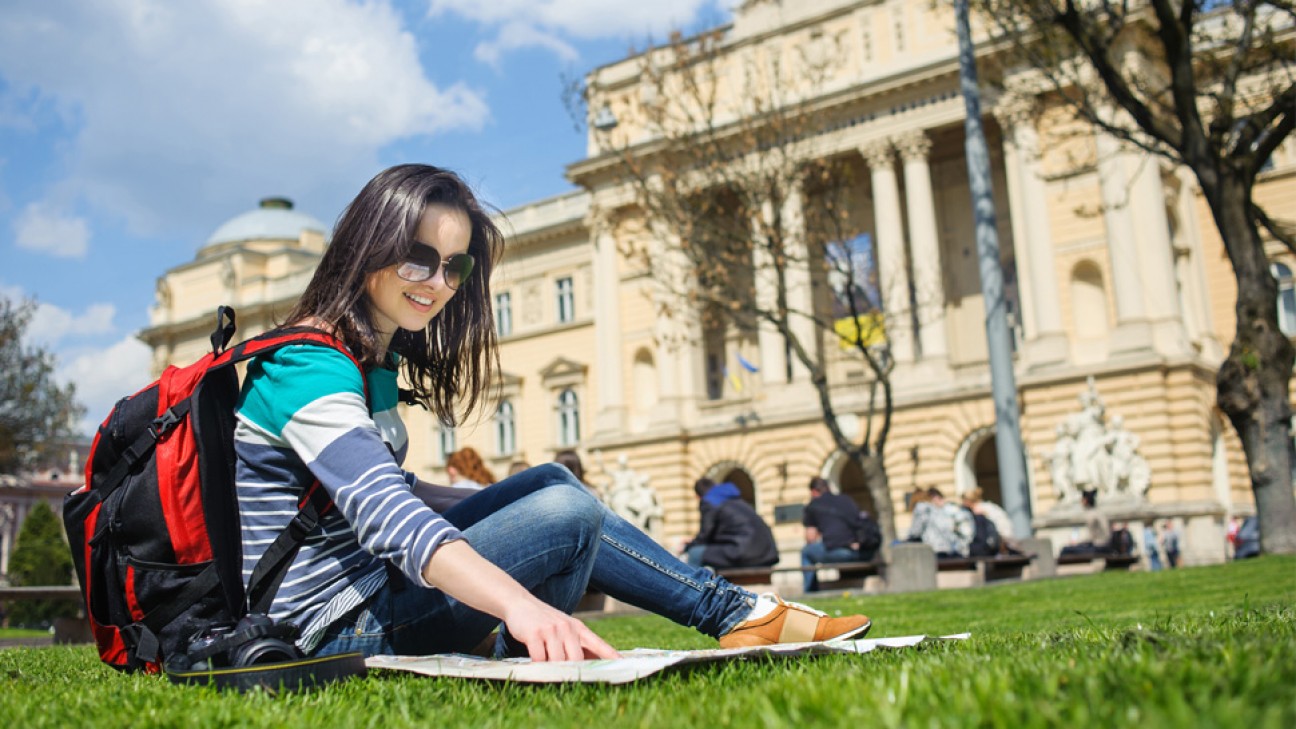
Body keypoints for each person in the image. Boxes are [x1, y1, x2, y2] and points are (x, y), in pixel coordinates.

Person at [234, 164, 870, 664]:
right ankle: (726, 615)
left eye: (455, 267)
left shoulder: (365, 359)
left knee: (550, 486)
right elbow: (386, 517)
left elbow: (395, 489)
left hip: (371, 592)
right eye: (419, 258)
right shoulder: (307, 365)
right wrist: (521, 605)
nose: (438, 283)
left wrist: (510, 505)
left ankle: (732, 614)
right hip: (328, 626)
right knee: (562, 513)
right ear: (369, 244)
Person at [683, 478, 780, 570]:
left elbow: (705, 535)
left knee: (695, 553)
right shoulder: (736, 500)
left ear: (698, 496)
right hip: (767, 552)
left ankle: (690, 587)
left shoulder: (709, 501)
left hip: (744, 552)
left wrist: (688, 546)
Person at [800, 478, 875, 593]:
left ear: (814, 492)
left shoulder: (813, 505)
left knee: (806, 552)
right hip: (862, 551)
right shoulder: (846, 499)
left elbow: (811, 538)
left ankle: (810, 592)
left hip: (841, 552)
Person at [907, 487, 974, 558]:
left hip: (934, 550)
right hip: (951, 550)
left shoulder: (923, 508)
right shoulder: (942, 510)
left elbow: (915, 532)